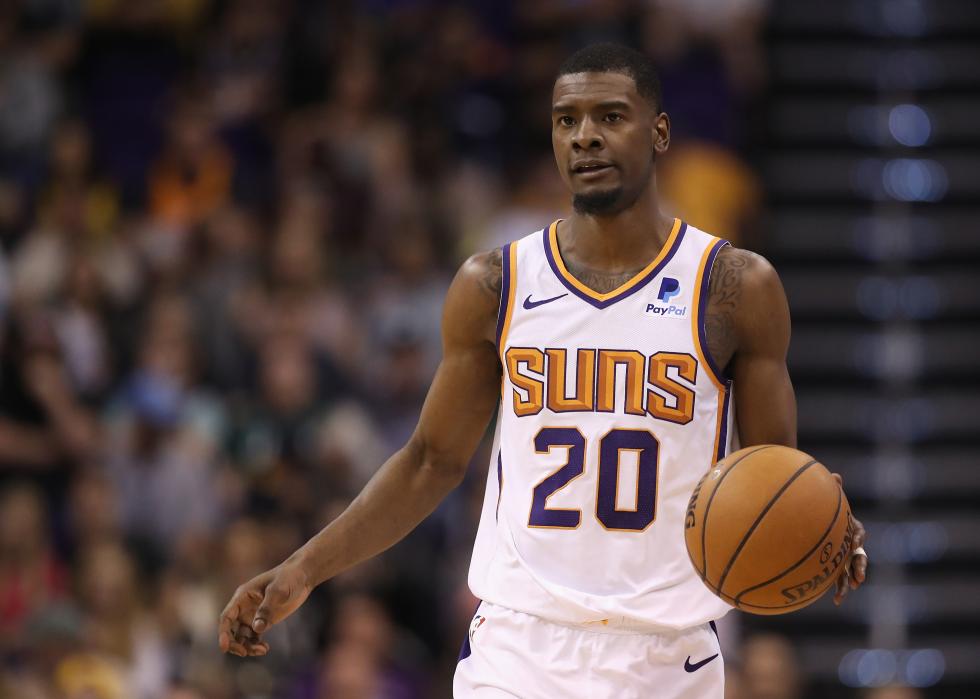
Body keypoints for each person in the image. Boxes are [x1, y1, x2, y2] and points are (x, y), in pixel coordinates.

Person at [218, 43, 869, 698]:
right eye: (567, 120)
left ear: (660, 131)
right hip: (518, 646)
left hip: (667, 655)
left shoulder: (733, 286)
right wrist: (304, 567)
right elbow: (428, 462)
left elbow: (772, 476)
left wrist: (821, 528)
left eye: (610, 116)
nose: (585, 136)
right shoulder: (495, 282)